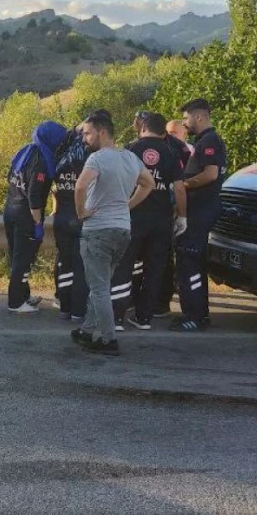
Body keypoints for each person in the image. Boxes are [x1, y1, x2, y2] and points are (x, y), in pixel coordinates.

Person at [72, 111, 155, 355]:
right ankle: (87, 330)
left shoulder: (97, 159)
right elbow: (149, 183)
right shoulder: (130, 157)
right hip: (122, 230)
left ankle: (109, 340)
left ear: (102, 132)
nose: (84, 138)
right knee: (102, 283)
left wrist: (81, 212)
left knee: (98, 288)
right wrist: (127, 205)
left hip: (98, 231)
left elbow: (80, 185)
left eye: (87, 133)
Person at [112, 112, 187, 330]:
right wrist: (182, 216)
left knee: (123, 266)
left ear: (143, 128)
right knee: (154, 269)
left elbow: (117, 182)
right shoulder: (171, 152)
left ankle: (116, 317)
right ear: (164, 132)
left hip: (133, 218)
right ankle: (144, 317)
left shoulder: (130, 150)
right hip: (161, 221)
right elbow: (180, 188)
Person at [172, 98, 227, 332]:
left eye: (186, 118)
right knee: (189, 262)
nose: (185, 123)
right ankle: (195, 313)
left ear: (200, 116)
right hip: (198, 210)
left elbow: (211, 174)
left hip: (201, 210)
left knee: (190, 262)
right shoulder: (204, 141)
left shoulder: (209, 141)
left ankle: (194, 316)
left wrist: (185, 185)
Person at [4, 121, 67, 314]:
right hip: (26, 214)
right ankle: (15, 303)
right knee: (23, 259)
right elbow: (34, 195)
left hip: (11, 209)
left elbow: (9, 178)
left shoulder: (27, 151)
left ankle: (23, 295)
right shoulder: (42, 161)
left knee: (16, 257)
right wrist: (38, 221)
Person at [156, 117, 195, 316]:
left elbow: (185, 183)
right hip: (164, 208)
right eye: (168, 132)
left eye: (174, 132)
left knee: (171, 255)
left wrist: (182, 214)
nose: (170, 135)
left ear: (183, 133)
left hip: (178, 207)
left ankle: (169, 296)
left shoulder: (187, 151)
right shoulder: (166, 150)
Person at [52, 122, 91, 321]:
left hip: (61, 216)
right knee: (81, 266)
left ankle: (64, 307)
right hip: (81, 217)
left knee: (65, 264)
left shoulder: (59, 158)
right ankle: (78, 311)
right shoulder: (89, 160)